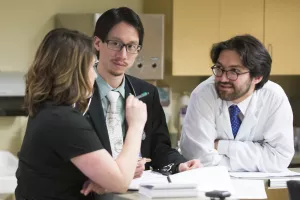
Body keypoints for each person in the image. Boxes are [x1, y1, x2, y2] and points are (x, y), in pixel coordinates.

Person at [15, 28, 148, 200]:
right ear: (75, 72)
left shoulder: (47, 111)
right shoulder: (65, 120)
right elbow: (121, 183)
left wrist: (104, 176)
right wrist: (136, 125)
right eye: (92, 66)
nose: (95, 75)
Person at [86, 6, 200, 181]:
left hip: (137, 192)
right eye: (115, 43)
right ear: (97, 43)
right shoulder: (77, 92)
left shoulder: (146, 93)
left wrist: (178, 165)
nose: (123, 54)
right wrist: (118, 168)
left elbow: (158, 148)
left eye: (131, 46)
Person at [180, 34, 294, 172]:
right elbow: (198, 159)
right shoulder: (203, 94)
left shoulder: (274, 98)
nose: (222, 78)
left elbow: (280, 158)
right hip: (211, 187)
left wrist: (222, 147)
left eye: (234, 71)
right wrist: (257, 157)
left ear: (257, 77)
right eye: (219, 68)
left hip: (259, 189)